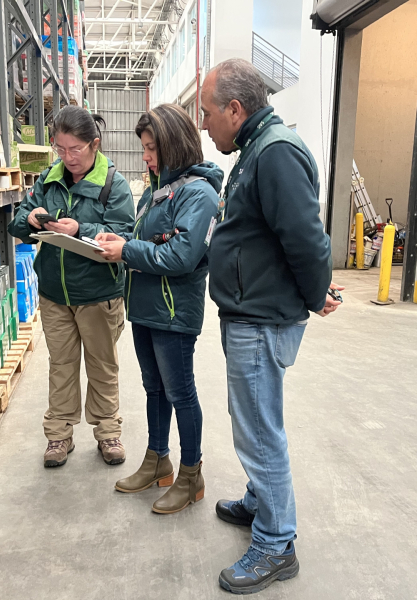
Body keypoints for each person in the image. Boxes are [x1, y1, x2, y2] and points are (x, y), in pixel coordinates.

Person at [200, 59, 342, 594]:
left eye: (208, 113)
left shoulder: (274, 151)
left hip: (261, 319)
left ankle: (277, 544)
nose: (204, 125)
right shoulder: (255, 148)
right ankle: (262, 500)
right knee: (254, 420)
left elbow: (305, 238)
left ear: (235, 110)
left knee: (259, 432)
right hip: (250, 311)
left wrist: (315, 293)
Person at [96, 104, 224, 514]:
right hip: (146, 307)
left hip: (173, 312)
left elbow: (182, 255)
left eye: (152, 148)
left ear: (173, 144)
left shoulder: (199, 193)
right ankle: (157, 460)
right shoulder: (159, 191)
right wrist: (116, 243)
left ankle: (191, 474)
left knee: (180, 392)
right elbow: (149, 242)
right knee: (154, 388)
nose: (146, 157)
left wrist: (128, 250)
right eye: (145, 148)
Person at [8, 105, 135, 468]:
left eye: (75, 149)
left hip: (98, 294)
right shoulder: (49, 179)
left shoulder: (113, 184)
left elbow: (124, 236)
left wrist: (81, 229)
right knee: (61, 365)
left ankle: (108, 431)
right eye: (60, 149)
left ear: (94, 144)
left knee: (102, 366)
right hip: (55, 293)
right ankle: (59, 435)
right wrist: (31, 219)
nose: (67, 157)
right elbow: (18, 222)